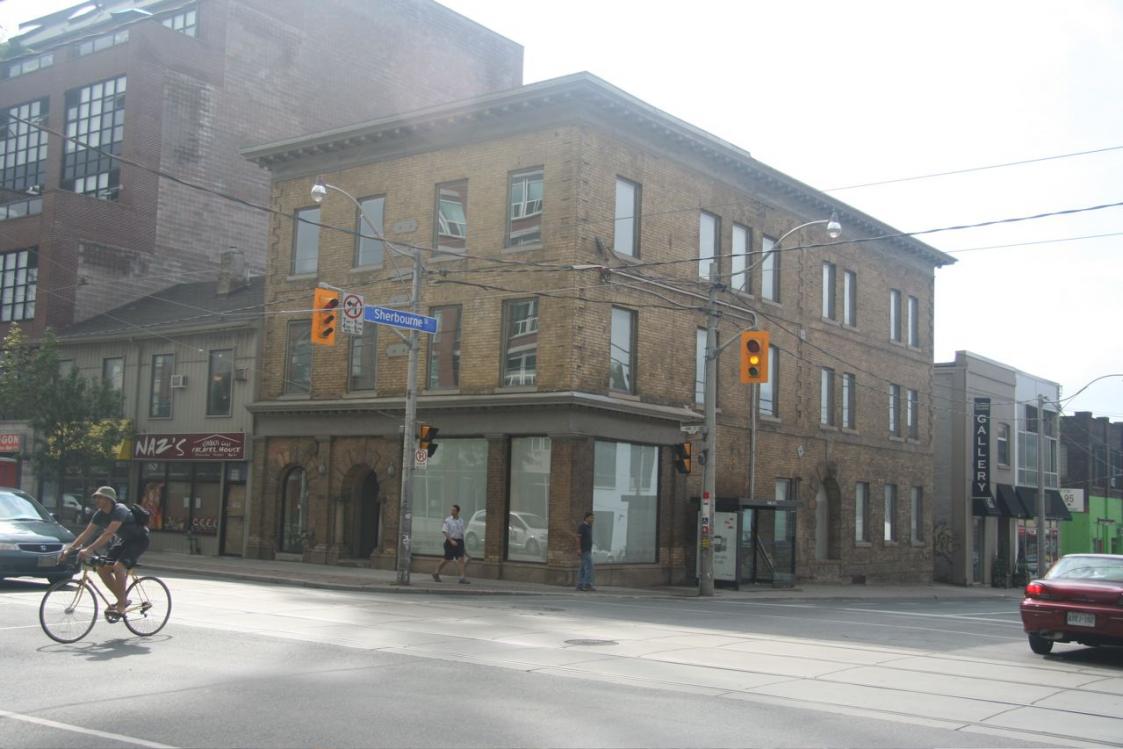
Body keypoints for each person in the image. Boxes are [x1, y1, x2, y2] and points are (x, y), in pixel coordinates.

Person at [60, 486, 150, 613]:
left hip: (139, 540)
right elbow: (86, 533)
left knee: (118, 567)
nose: (96, 500)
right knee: (102, 568)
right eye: (96, 497)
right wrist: (69, 550)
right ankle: (123, 599)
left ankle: (121, 605)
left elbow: (108, 534)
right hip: (125, 541)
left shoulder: (120, 510)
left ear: (108, 500)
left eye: (99, 498)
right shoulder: (99, 514)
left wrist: (89, 549)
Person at [432, 504, 469, 584]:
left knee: (461, 559)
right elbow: (444, 531)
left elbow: (462, 533)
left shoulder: (461, 521)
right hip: (450, 541)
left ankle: (462, 578)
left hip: (459, 541)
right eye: (451, 510)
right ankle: (436, 572)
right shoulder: (448, 520)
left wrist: (463, 546)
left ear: (458, 512)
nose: (452, 511)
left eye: (453, 510)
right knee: (447, 559)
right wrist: (451, 541)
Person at [576, 512, 595, 591]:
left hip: (588, 550)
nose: (592, 519)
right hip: (584, 550)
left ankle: (580, 584)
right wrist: (578, 549)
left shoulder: (589, 527)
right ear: (586, 518)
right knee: (589, 567)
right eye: (591, 518)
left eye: (593, 518)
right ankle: (587, 584)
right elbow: (578, 538)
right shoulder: (582, 526)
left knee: (583, 568)